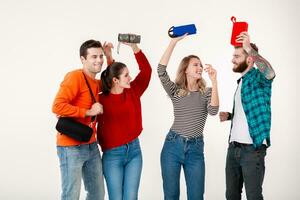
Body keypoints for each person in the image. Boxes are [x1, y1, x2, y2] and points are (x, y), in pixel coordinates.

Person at [158, 35, 219, 200]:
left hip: (195, 149)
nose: (199, 67)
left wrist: (214, 81)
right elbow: (161, 71)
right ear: (185, 69)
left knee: (196, 196)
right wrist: (173, 42)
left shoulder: (206, 92)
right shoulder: (176, 91)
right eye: (195, 64)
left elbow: (213, 111)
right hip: (172, 146)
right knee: (171, 196)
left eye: (200, 64)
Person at [52, 39, 113, 200]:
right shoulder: (75, 77)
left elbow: (113, 79)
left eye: (100, 56)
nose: (99, 60)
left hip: (91, 145)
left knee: (97, 194)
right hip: (70, 147)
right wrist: (87, 111)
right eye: (94, 57)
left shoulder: (96, 82)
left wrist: (109, 56)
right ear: (83, 59)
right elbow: (57, 106)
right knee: (71, 195)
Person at [219, 32, 275, 200]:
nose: (232, 59)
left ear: (249, 59)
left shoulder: (259, 78)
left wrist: (249, 48)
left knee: (253, 196)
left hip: (252, 150)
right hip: (233, 149)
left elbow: (270, 73)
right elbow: (247, 113)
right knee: (231, 196)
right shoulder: (241, 82)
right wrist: (230, 115)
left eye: (237, 56)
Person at [97, 42, 152, 200]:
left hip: (134, 151)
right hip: (112, 155)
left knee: (131, 197)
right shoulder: (101, 99)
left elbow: (146, 70)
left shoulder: (133, 90)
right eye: (126, 75)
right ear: (115, 80)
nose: (130, 77)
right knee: (116, 198)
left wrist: (134, 47)